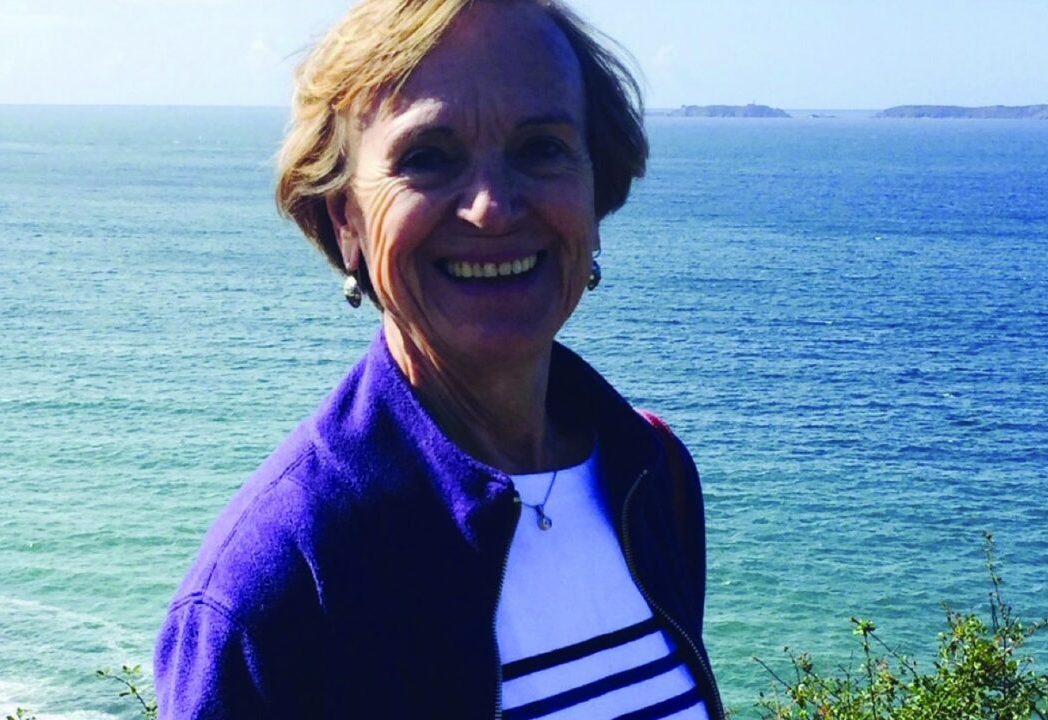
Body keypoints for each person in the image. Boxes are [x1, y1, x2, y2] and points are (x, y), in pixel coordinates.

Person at [154, 0, 723, 717]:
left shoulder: (650, 474)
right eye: (427, 157)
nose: (492, 207)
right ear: (345, 218)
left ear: (595, 190)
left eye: (541, 148)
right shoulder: (278, 584)